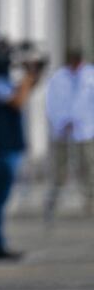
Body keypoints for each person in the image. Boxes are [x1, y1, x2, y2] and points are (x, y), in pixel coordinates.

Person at [0, 34, 42, 260]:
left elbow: (22, 93)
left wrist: (34, 75)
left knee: (1, 199)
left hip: (7, 145)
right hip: (1, 147)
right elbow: (17, 100)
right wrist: (29, 75)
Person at [44, 49, 94, 221]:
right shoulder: (58, 77)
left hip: (86, 130)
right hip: (62, 130)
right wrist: (62, 121)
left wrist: (82, 121)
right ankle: (53, 202)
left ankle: (90, 200)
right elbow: (51, 102)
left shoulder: (90, 75)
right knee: (59, 167)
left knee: (88, 166)